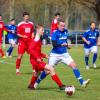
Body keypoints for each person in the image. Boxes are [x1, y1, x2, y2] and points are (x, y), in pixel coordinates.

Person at [34, 19, 90, 88]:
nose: (63, 27)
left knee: (74, 65)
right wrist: (62, 45)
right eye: (61, 26)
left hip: (64, 54)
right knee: (47, 71)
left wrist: (67, 45)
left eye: (64, 26)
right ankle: (36, 83)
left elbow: (65, 42)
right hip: (55, 55)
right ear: (58, 25)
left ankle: (82, 83)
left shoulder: (66, 31)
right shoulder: (55, 33)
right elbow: (54, 45)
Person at [28, 24, 65, 90]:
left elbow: (37, 52)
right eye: (42, 30)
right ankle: (61, 86)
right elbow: (30, 50)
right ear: (37, 30)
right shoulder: (36, 39)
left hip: (35, 60)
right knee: (51, 69)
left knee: (37, 73)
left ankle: (31, 86)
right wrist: (37, 58)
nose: (43, 31)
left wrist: (44, 56)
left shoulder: (38, 39)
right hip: (36, 61)